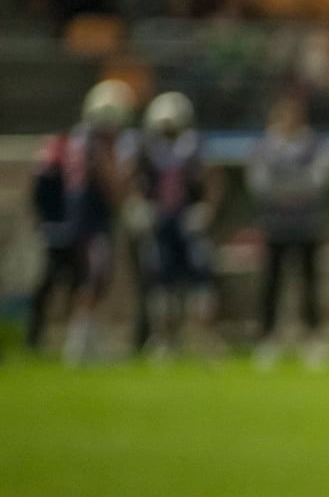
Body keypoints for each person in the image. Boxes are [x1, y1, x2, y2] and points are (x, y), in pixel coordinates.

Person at [32, 80, 138, 365]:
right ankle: (79, 347)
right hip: (92, 221)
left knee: (92, 280)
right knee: (93, 281)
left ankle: (85, 342)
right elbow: (112, 187)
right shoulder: (95, 143)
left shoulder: (79, 137)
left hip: (79, 220)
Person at [247, 93, 329, 368]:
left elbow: (321, 181)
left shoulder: (314, 144)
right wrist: (296, 186)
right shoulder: (265, 147)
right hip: (276, 226)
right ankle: (267, 339)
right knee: (272, 284)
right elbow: (260, 185)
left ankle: (312, 339)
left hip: (307, 225)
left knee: (309, 284)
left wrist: (285, 185)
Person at [134, 91, 222, 359]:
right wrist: (138, 206)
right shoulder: (148, 149)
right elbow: (135, 180)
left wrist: (206, 209)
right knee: (161, 282)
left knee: (201, 279)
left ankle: (201, 337)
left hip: (187, 221)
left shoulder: (194, 146)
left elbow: (213, 179)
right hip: (161, 222)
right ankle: (163, 339)